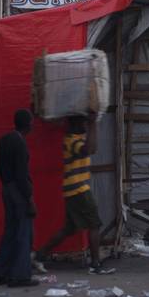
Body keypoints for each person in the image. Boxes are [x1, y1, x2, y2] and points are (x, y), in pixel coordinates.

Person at [35, 116, 116, 275]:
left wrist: (92, 123)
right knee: (94, 224)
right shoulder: (71, 141)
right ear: (77, 124)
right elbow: (90, 150)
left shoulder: (77, 137)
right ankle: (95, 265)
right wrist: (93, 124)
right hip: (78, 189)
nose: (86, 125)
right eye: (84, 123)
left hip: (75, 189)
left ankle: (39, 255)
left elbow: (90, 147)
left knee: (68, 229)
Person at [0, 109, 39, 288]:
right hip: (18, 190)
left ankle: (1, 273)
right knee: (23, 232)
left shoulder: (4, 140)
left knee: (10, 231)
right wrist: (29, 198)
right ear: (28, 124)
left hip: (6, 187)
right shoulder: (20, 143)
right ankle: (20, 275)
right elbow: (21, 174)